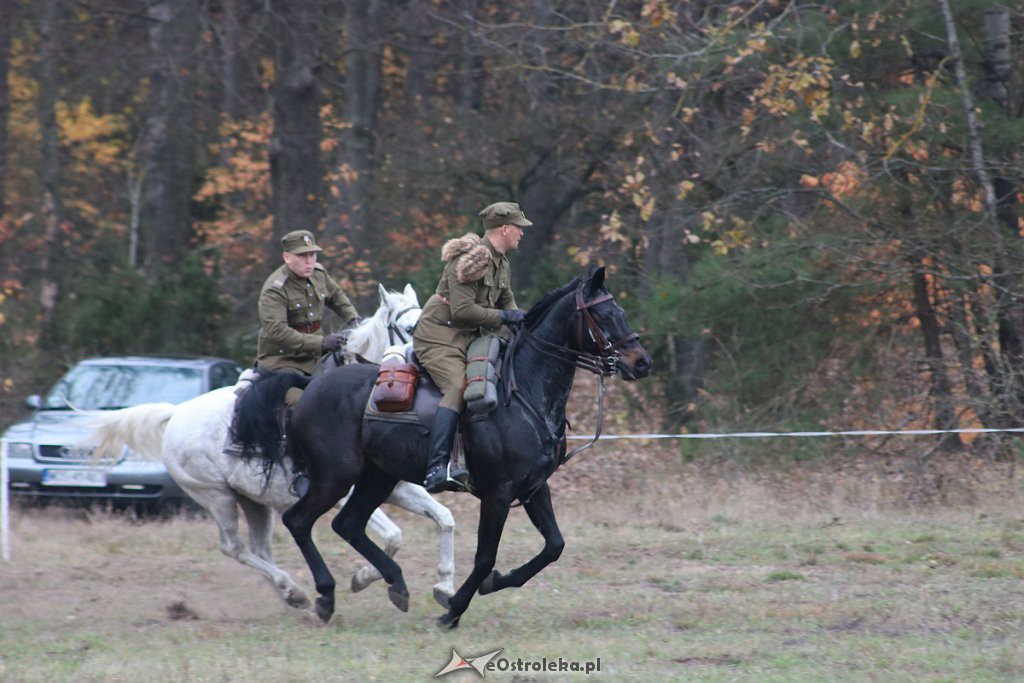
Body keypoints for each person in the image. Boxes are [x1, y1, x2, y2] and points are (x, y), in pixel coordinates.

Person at [413, 202, 530, 493]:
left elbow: (507, 303)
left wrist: (525, 327)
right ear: (505, 229)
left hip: (468, 338)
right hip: (438, 337)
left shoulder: (502, 261)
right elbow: (463, 310)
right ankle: (438, 467)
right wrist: (504, 317)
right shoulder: (470, 259)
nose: (522, 234)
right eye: (519, 228)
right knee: (460, 386)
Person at [256, 228, 360, 408]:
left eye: (312, 254)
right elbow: (277, 332)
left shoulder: (319, 274)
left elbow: (336, 296)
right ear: (287, 257)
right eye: (303, 255)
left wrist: (355, 321)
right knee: (303, 404)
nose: (309, 261)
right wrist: (321, 343)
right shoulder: (275, 290)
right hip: (283, 362)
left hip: (316, 357)